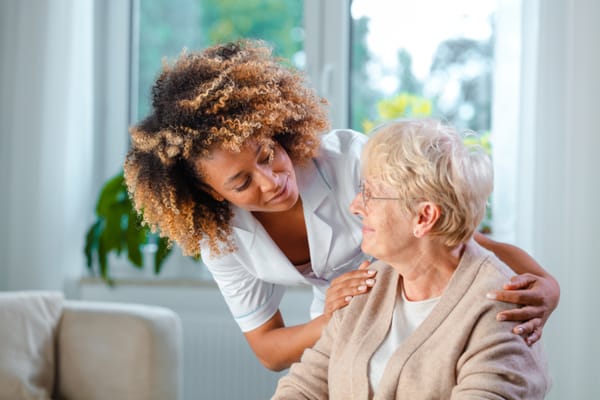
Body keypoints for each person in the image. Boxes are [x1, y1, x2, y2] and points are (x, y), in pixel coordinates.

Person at [123, 39, 559, 371]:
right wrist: (332, 317)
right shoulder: (221, 237)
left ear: (274, 128)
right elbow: (270, 349)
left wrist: (547, 285)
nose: (273, 181)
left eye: (267, 153)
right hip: (341, 328)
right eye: (242, 183)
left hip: (426, 304)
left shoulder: (351, 161)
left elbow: (457, 235)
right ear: (214, 195)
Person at [272, 118, 550, 399]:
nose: (355, 206)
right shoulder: (366, 285)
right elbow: (304, 386)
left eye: (371, 194)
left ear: (424, 217)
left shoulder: (501, 312)